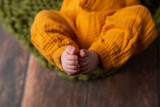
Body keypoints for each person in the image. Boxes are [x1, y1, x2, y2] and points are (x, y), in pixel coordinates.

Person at [30, 0, 157, 76]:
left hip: (110, 27)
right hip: (70, 24)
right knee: (43, 18)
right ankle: (63, 53)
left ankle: (100, 54)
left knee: (139, 14)